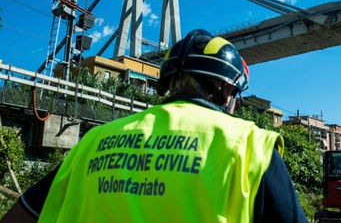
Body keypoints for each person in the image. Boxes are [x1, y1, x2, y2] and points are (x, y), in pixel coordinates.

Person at [1, 29, 307, 223]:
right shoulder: (251, 147)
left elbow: (19, 216)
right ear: (227, 92)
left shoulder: (92, 143)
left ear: (168, 85)